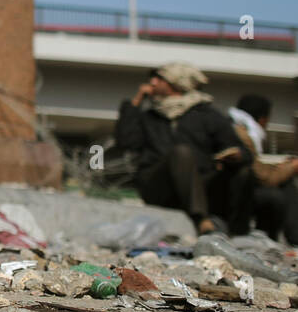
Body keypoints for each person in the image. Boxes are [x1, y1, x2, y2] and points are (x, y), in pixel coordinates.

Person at [114, 62, 252, 234]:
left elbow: (242, 151)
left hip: (200, 184)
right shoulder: (149, 117)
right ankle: (200, 219)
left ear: (175, 83)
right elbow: (125, 142)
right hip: (158, 185)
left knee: (243, 172)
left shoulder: (206, 115)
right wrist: (136, 101)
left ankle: (238, 231)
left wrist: (235, 155)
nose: (153, 83)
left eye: (159, 79)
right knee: (181, 153)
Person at [230, 94, 298, 243]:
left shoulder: (233, 127)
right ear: (262, 119)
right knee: (278, 191)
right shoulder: (244, 134)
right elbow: (264, 177)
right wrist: (291, 167)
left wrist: (281, 167)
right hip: (234, 195)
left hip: (231, 191)